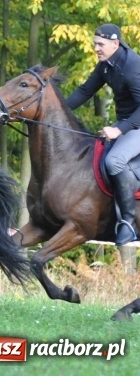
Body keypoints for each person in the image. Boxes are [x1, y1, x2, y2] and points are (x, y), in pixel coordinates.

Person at [66, 23, 140, 245]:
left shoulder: (132, 66)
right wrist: (56, 111)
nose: (96, 48)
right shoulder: (106, 65)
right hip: (128, 123)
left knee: (114, 161)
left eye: (100, 44)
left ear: (115, 43)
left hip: (134, 125)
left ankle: (129, 222)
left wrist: (118, 130)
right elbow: (85, 91)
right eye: (95, 44)